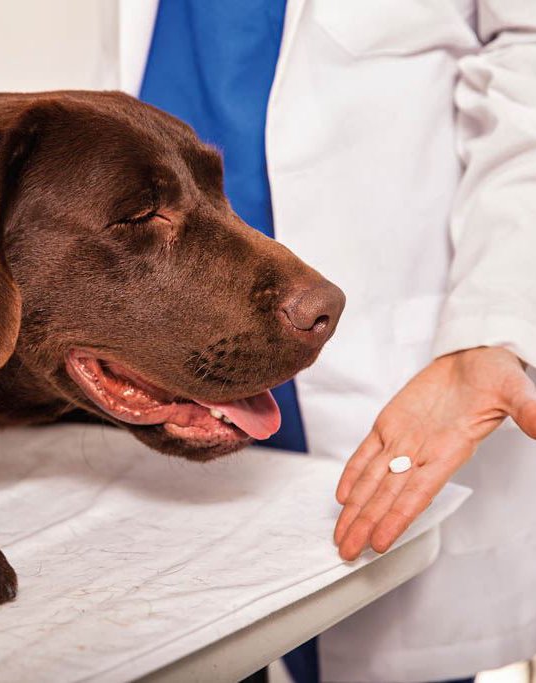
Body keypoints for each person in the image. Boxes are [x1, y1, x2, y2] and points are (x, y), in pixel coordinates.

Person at [88, 1, 536, 681]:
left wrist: (495, 316)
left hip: (387, 354)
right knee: (191, 636)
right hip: (172, 336)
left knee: (372, 622)